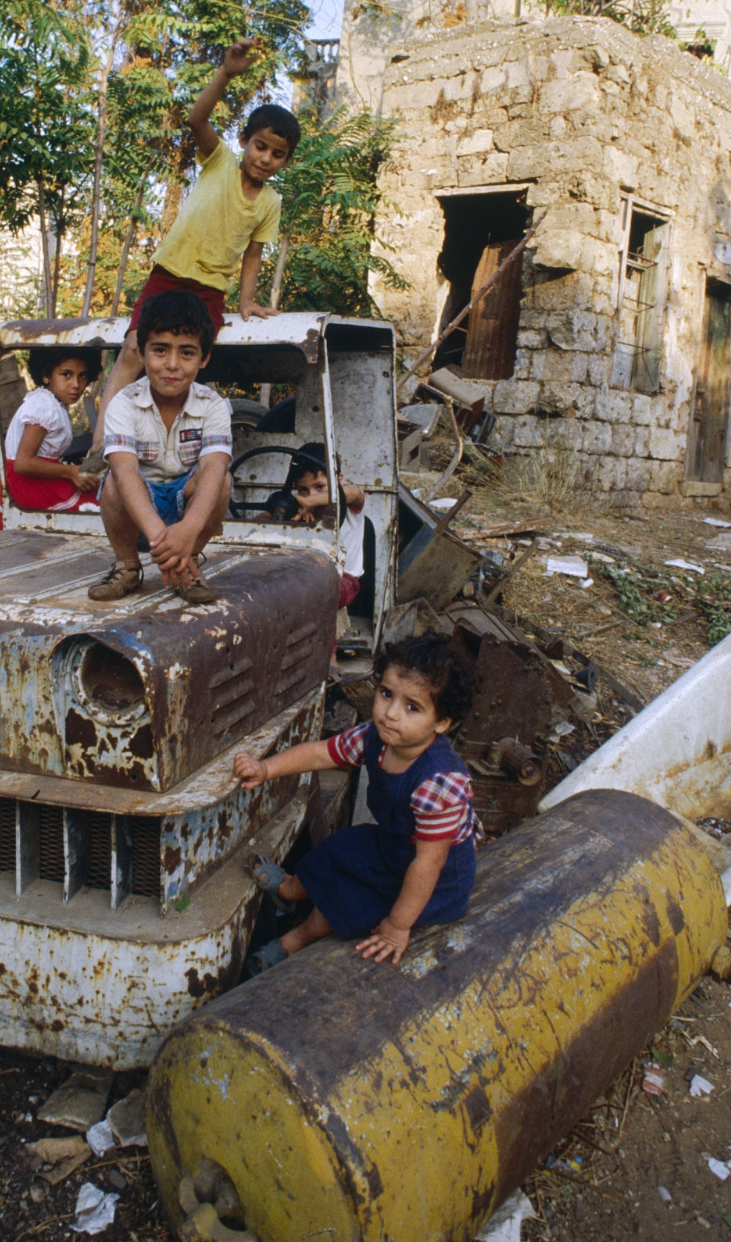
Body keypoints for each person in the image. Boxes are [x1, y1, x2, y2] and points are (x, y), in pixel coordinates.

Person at [82, 39, 299, 471]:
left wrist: (245, 301)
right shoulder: (219, 161)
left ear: (285, 161)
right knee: (132, 350)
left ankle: (175, 446)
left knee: (187, 362)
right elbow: (197, 117)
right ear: (245, 142)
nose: (266, 158)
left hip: (210, 290)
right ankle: (101, 440)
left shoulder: (270, 202)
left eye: (278, 154)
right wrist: (226, 73)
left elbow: (253, 255)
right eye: (260, 147)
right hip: (170, 273)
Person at [233, 633, 483, 974]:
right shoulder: (373, 737)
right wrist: (266, 768)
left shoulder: (439, 782)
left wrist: (397, 927)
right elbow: (322, 753)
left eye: (413, 707)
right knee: (337, 848)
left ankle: (294, 942)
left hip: (435, 880)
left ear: (441, 723)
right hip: (393, 845)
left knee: (355, 900)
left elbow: (428, 864)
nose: (391, 713)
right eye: (386, 694)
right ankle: (291, 889)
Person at [88, 290, 233, 605]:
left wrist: (186, 533)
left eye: (187, 353)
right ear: (140, 353)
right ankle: (126, 566)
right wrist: (161, 540)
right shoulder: (123, 403)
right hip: (139, 508)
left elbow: (213, 466)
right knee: (113, 482)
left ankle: (189, 563)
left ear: (204, 358)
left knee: (221, 480)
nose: (172, 365)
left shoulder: (213, 406)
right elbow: (125, 470)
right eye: (160, 350)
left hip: (187, 510)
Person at [3, 347, 102, 514]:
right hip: (31, 487)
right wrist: (71, 472)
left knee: (101, 490)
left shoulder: (51, 402)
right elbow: (23, 463)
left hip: (40, 481)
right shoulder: (44, 405)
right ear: (46, 375)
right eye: (66, 375)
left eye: (82, 375)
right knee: (106, 508)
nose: (76, 385)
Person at [287, 443, 367, 610]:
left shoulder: (348, 503)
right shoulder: (301, 511)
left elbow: (355, 492)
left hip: (343, 579)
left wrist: (310, 501)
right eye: (303, 489)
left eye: (319, 487)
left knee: (316, 594)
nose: (312, 494)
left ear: (339, 480)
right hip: (307, 573)